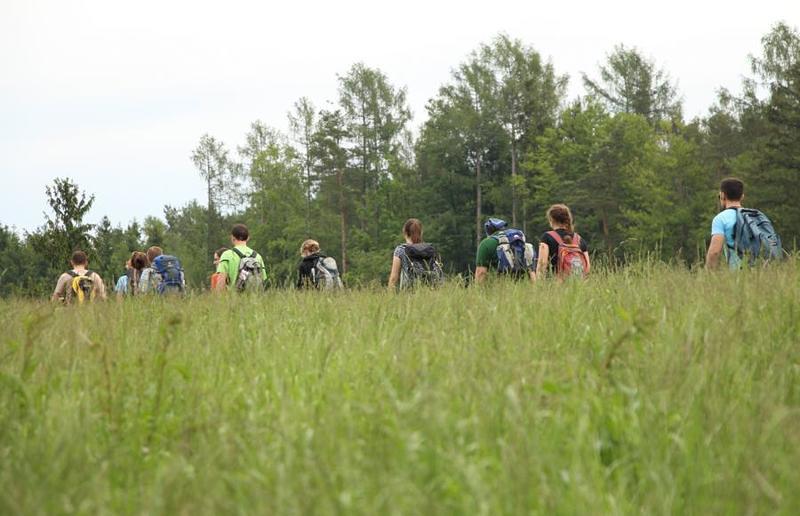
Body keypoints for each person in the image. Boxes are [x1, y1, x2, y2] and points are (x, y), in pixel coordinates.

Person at [705, 177, 782, 269]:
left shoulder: (721, 218)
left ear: (722, 195)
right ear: (742, 196)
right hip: (762, 272)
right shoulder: (757, 215)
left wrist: (708, 272)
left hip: (738, 273)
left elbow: (714, 252)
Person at [536, 204, 590, 280]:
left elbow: (542, 265)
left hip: (555, 283)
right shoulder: (579, 239)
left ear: (551, 219)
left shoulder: (547, 237)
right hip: (577, 283)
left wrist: (539, 283)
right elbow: (587, 267)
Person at [475, 218, 535, 284]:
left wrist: (478, 288)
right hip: (524, 286)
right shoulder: (519, 241)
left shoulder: (486, 243)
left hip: (501, 286)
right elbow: (531, 270)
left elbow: (481, 273)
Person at [388, 218, 444, 290]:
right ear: (421, 233)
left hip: (408, 293)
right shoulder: (429, 250)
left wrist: (389, 293)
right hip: (429, 292)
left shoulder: (400, 250)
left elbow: (393, 278)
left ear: (405, 232)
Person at [214, 224, 266, 292]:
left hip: (234, 297)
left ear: (232, 237)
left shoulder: (227, 255)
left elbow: (221, 283)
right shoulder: (258, 256)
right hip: (254, 297)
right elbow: (262, 280)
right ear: (248, 238)